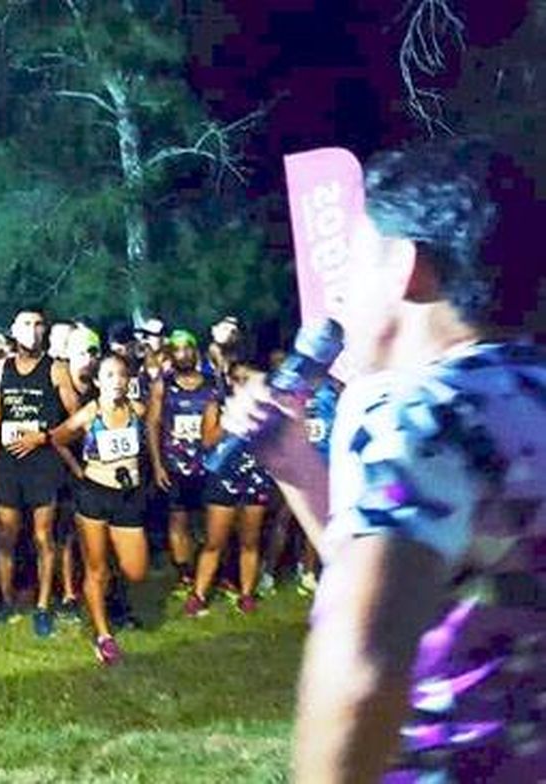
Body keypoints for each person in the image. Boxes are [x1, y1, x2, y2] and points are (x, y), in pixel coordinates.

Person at [222, 138, 544, 782]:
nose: (338, 298)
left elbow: (361, 667)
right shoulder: (524, 397)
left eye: (354, 266)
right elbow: (406, 580)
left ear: (404, 265)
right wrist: (293, 464)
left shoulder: (420, 414)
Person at [47, 353, 150, 666]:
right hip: (94, 495)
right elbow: (58, 439)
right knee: (97, 568)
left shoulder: (138, 410)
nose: (117, 381)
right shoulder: (89, 414)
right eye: (109, 375)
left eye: (122, 375)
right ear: (97, 381)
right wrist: (77, 469)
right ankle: (103, 635)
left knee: (136, 568)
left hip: (128, 496)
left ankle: (111, 599)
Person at [0, 308, 72, 638]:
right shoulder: (1, 369)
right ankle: (6, 600)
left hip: (43, 464)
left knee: (42, 536)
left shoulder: (56, 369)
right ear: (12, 329)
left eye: (38, 325)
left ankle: (43, 605)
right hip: (8, 464)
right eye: (25, 324)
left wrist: (45, 437)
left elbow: (76, 419)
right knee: (6, 534)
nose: (32, 331)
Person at [184, 359, 275, 617]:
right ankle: (199, 594)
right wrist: (230, 418)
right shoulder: (217, 405)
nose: (243, 384)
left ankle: (246, 594)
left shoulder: (265, 409)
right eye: (238, 379)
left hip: (255, 477)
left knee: (250, 541)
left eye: (249, 379)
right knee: (214, 542)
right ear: (230, 381)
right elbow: (207, 440)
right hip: (222, 477)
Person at [146, 330, 218, 590]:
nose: (183, 354)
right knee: (178, 520)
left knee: (209, 523)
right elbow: (152, 424)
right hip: (175, 465)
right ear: (170, 354)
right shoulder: (162, 385)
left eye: (188, 348)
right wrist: (157, 465)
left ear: (195, 351)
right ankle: (185, 574)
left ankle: (208, 569)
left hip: (208, 465)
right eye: (177, 350)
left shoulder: (212, 384)